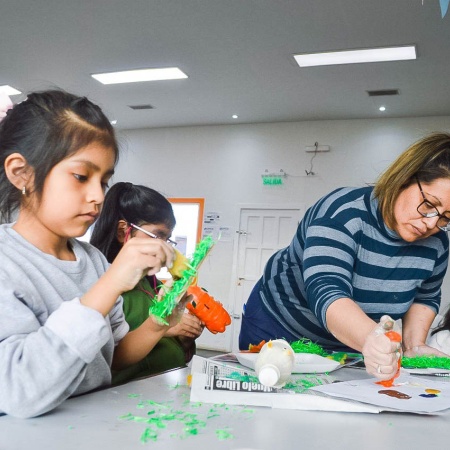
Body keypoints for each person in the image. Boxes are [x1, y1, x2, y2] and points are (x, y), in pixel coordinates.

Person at [0, 90, 185, 418]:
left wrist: (159, 322)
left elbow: (111, 358)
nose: (98, 196)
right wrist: (109, 285)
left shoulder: (93, 261)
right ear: (21, 173)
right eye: (81, 177)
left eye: (104, 180)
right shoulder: (7, 263)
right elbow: (19, 392)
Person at [239, 132, 450, 382]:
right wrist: (371, 339)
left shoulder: (437, 244)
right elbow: (327, 290)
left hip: (352, 337)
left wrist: (414, 346)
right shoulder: (343, 213)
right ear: (403, 177)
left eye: (446, 217)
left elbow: (424, 298)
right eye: (428, 205)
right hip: (279, 323)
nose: (431, 223)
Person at [90, 182, 204, 384]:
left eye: (168, 238)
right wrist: (166, 330)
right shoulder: (101, 287)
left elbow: (161, 334)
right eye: (158, 235)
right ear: (122, 232)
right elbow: (109, 355)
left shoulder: (149, 282)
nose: (166, 248)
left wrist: (183, 339)